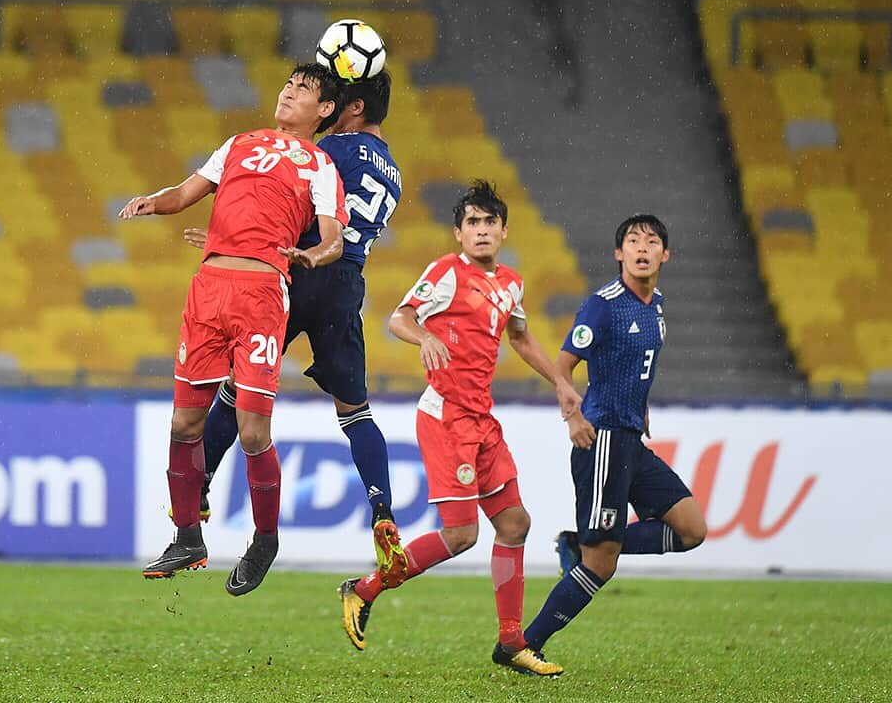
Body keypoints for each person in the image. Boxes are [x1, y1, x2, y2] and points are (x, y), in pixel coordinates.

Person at [118, 64, 347, 595]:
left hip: (263, 296)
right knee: (183, 425)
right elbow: (184, 192)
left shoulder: (319, 165)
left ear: (325, 111)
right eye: (286, 85)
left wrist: (310, 256)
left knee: (251, 431)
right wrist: (155, 202)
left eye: (303, 91)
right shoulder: (238, 143)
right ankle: (187, 537)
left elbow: (334, 239)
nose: (288, 93)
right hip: (209, 289)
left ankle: (265, 540)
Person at [338, 179, 573, 678]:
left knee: (515, 524)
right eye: (473, 222)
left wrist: (560, 383)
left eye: (490, 222)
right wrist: (423, 336)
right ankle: (364, 588)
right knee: (462, 534)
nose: (482, 230)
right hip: (445, 416)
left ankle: (512, 642)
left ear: (504, 231)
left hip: (482, 419)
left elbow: (521, 337)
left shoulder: (511, 284)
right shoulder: (446, 272)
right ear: (458, 233)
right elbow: (399, 319)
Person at [189, 71, 409, 587]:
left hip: (295, 268)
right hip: (346, 284)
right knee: (355, 412)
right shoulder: (394, 171)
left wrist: (236, 242)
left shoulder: (328, 151)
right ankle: (383, 511)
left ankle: (198, 486)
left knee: (238, 382)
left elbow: (291, 199)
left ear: (347, 108)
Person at [521, 214, 707, 658]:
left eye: (652, 241)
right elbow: (564, 366)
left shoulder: (656, 303)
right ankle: (525, 645)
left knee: (691, 529)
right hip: (601, 438)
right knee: (601, 565)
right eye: (632, 240)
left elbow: (639, 363)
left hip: (628, 438)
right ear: (619, 253)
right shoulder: (603, 305)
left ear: (666, 254)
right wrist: (573, 417)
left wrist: (639, 407)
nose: (642, 248)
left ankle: (581, 539)